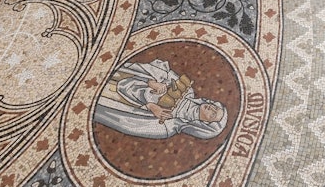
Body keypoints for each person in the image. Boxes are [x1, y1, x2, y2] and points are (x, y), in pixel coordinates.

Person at [93, 59, 227, 140]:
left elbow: (132, 123)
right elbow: (159, 72)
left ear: (205, 123)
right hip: (123, 79)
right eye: (215, 107)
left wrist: (151, 106)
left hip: (116, 99)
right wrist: (152, 82)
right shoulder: (188, 91)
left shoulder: (169, 126)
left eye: (213, 114)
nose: (212, 108)